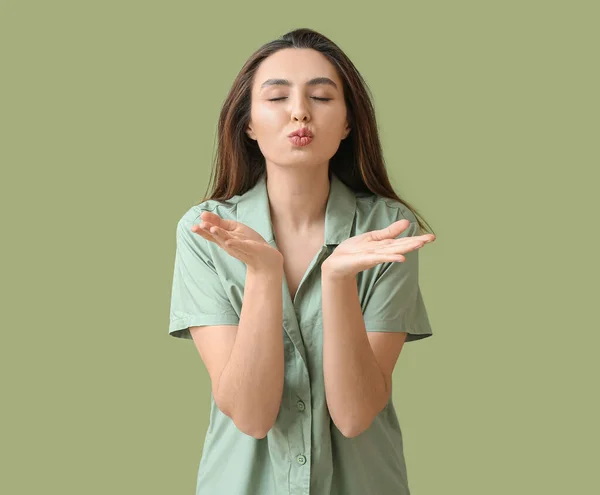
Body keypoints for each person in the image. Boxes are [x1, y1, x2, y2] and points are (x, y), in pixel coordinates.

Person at [168, 27, 437, 495]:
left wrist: (336, 281)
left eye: (321, 96)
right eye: (277, 97)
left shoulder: (388, 230)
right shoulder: (205, 232)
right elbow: (250, 416)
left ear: (349, 122)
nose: (300, 112)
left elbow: (355, 416)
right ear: (247, 123)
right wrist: (263, 273)